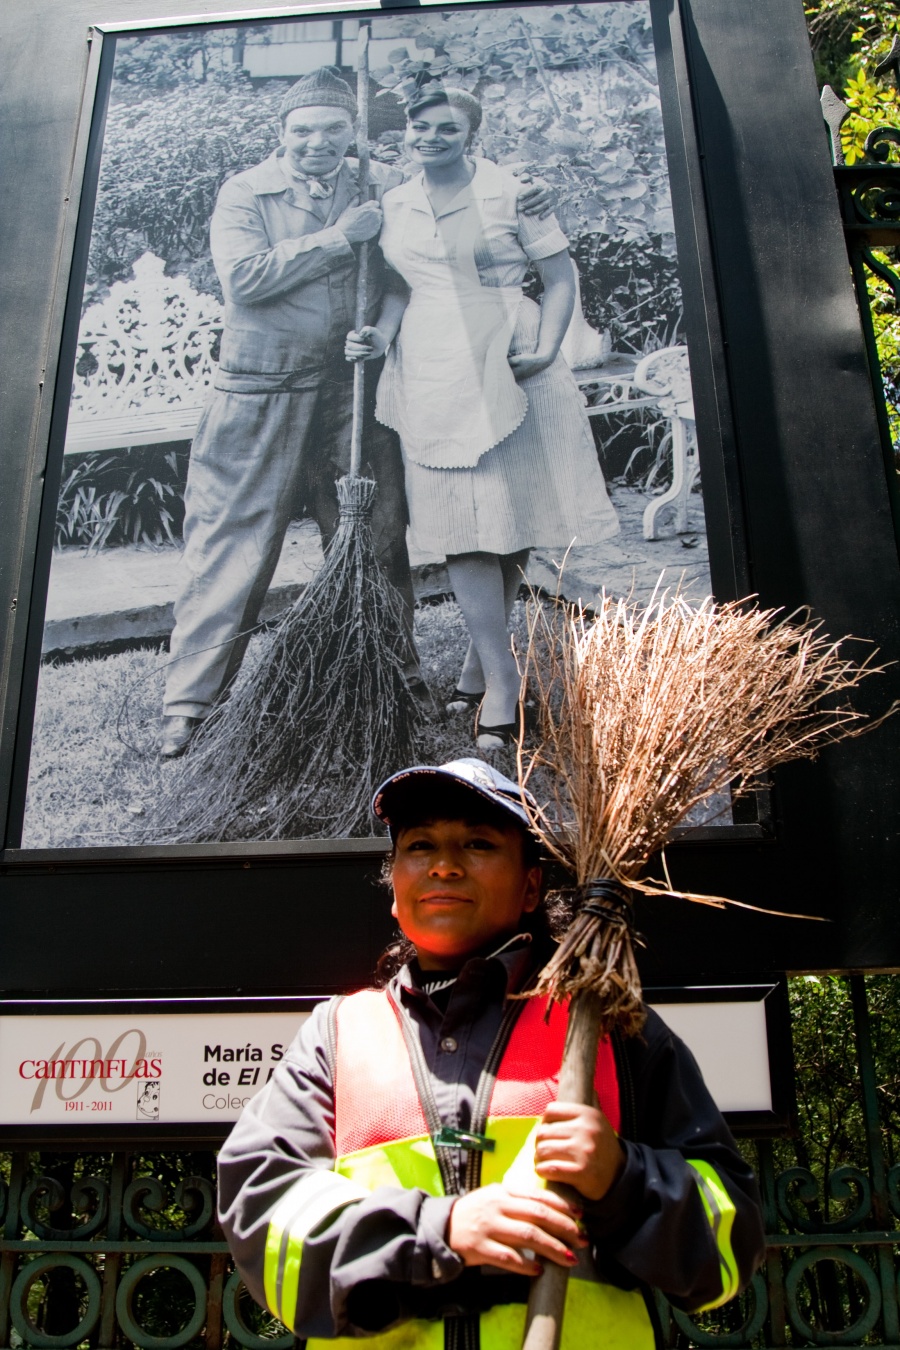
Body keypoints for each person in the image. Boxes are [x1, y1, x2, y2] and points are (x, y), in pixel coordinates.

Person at [217, 757, 765, 1348]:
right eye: (420, 845)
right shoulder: (337, 1034)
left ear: (531, 887)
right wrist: (441, 1232)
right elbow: (262, 1216)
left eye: (478, 844)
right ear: (395, 892)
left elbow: (730, 1251)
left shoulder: (614, 1030)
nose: (445, 866)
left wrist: (622, 1179)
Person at [161, 70, 555, 760]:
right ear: (280, 135)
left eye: (333, 130)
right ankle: (192, 703)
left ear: (351, 136)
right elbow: (244, 280)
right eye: (302, 130)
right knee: (233, 545)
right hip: (261, 389)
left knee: (374, 538)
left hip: (353, 389)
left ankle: (391, 677)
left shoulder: (376, 191)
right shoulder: (247, 193)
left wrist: (530, 193)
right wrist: (341, 239)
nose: (317, 143)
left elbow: (434, 231)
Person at [346, 89, 620, 750]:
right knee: (460, 523)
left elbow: (559, 276)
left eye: (448, 128)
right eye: (421, 126)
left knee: (511, 510)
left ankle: (482, 667)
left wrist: (550, 344)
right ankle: (502, 677)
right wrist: (380, 337)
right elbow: (396, 289)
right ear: (406, 132)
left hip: (511, 355)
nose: (431, 136)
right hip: (431, 365)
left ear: (470, 134)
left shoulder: (512, 193)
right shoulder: (392, 204)